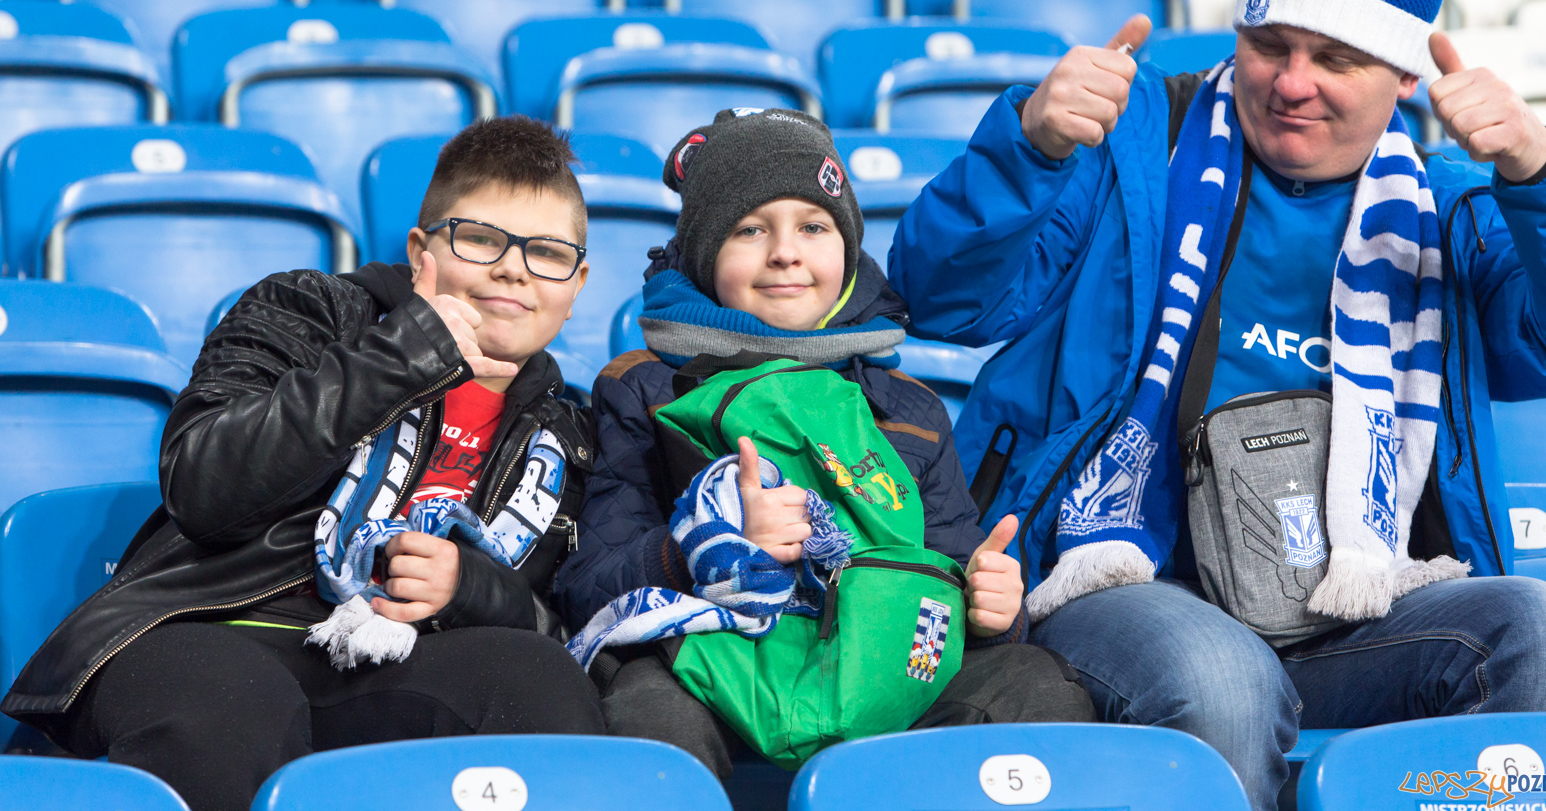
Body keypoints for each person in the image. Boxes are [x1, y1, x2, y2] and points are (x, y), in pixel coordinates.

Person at [890, 0, 1546, 811]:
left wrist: (1542, 175)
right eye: (1270, 45)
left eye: (1335, 58)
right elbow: (939, 298)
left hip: (1351, 608)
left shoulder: (1451, 207)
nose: (1291, 80)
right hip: (1118, 580)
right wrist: (1027, 150)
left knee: (1543, 628)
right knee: (1223, 677)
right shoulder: (1128, 150)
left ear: (1403, 78)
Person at [3, 117, 606, 811]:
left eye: (548, 253)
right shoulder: (308, 309)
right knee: (233, 710)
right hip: (214, 627)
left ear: (578, 281)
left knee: (542, 682)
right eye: (480, 239)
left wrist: (470, 583)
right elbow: (201, 482)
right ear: (421, 251)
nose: (512, 268)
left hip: (383, 662)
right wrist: (404, 356)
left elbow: (553, 619)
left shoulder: (568, 429)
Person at [553, 108, 1093, 777]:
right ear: (702, 252)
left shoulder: (910, 410)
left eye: (814, 226)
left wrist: (992, 609)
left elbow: (948, 585)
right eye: (749, 229)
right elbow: (587, 585)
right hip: (710, 671)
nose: (786, 251)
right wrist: (698, 546)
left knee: (1036, 682)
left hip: (885, 677)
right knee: (647, 720)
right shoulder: (644, 388)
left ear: (848, 246)